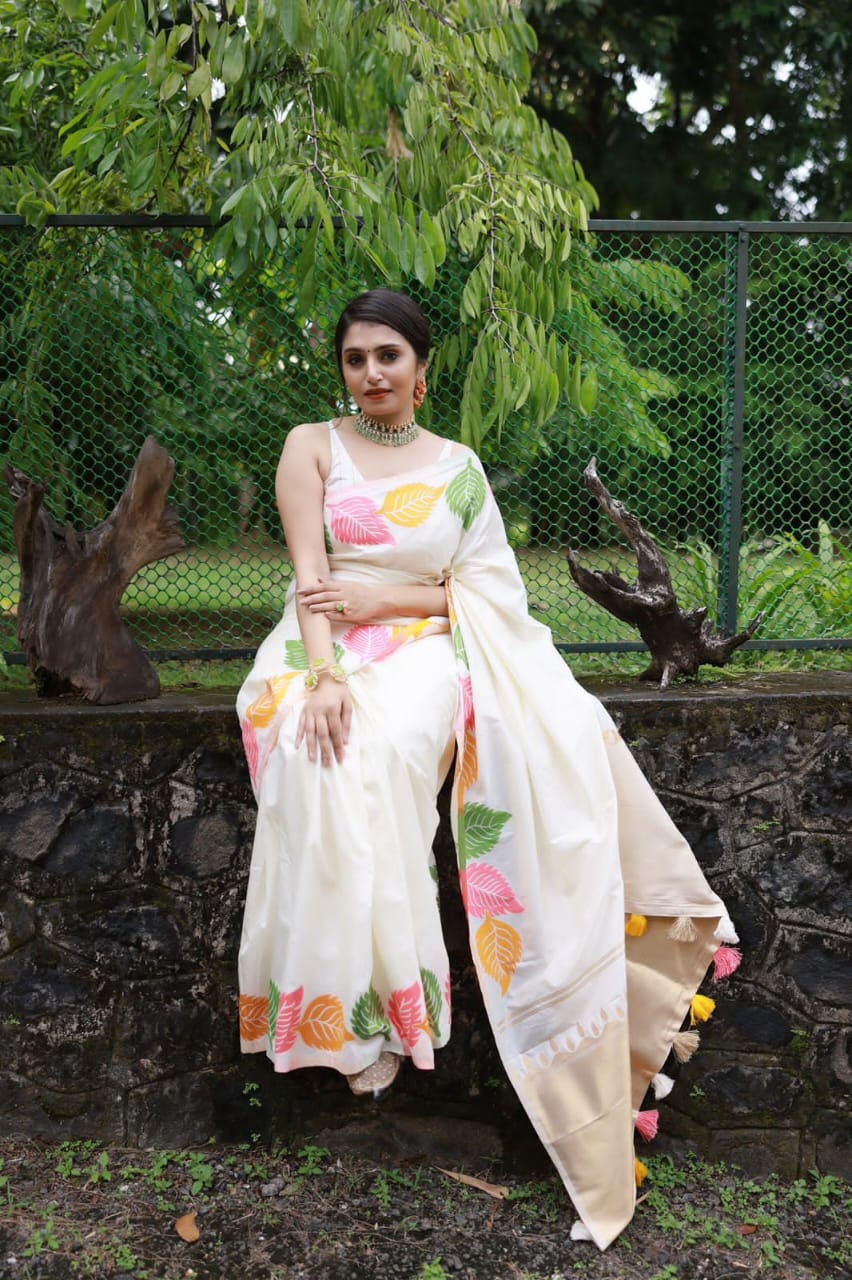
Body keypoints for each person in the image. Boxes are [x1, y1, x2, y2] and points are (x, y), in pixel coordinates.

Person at [236, 289, 740, 1250]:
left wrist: (388, 595)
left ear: (422, 369)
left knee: (379, 761)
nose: (372, 373)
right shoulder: (310, 446)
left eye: (389, 355)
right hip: (318, 645)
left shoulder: (460, 470)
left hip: (432, 648)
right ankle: (347, 1022)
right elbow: (312, 579)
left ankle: (393, 1019)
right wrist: (329, 672)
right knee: (316, 748)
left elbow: (482, 590)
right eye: (356, 358)